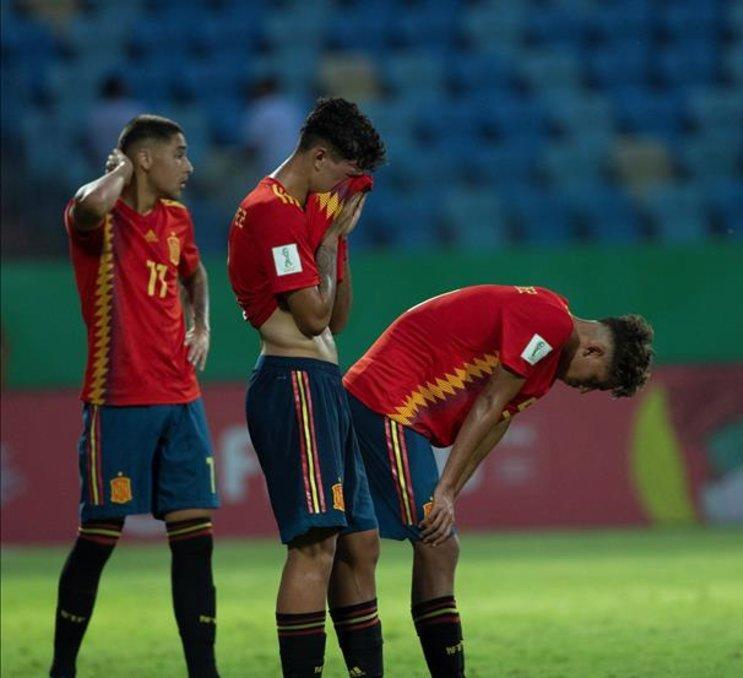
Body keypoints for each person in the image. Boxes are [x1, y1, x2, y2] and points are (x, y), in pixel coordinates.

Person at [341, 284, 654, 677]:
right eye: (595, 381)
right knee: (437, 545)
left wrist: (451, 491)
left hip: (386, 403)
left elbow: (499, 420)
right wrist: (446, 491)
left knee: (358, 545)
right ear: (594, 350)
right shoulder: (549, 323)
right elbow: (489, 404)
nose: (584, 389)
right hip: (388, 400)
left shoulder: (548, 352)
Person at [53, 114, 218, 677]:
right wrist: (120, 171)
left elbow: (195, 275)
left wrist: (202, 326)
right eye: (179, 153)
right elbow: (92, 207)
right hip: (118, 398)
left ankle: (205, 672)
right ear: (145, 159)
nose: (189, 166)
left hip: (181, 398)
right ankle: (62, 668)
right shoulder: (98, 218)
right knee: (100, 537)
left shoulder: (178, 218)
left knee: (195, 540)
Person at [226, 97, 386, 677]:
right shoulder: (270, 210)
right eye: (342, 173)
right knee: (315, 543)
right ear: (319, 156)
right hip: (291, 380)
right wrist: (326, 240)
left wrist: (339, 239)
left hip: (321, 380)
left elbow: (339, 318)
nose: (344, 188)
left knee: (360, 542)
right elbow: (313, 319)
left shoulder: (304, 208)